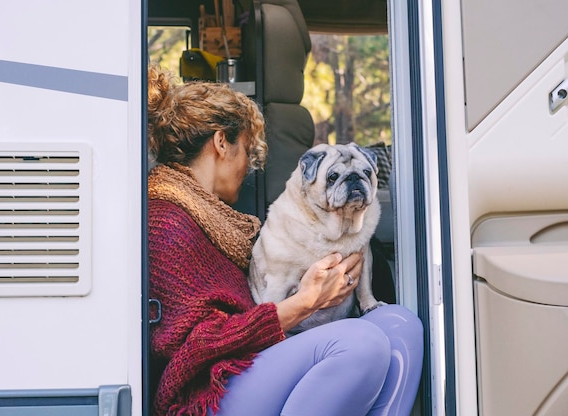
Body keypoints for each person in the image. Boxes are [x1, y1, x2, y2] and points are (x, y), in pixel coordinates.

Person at [147, 65, 423, 416]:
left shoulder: (216, 219)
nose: (248, 166)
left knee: (402, 327)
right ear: (221, 142)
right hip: (208, 388)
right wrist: (306, 302)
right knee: (362, 344)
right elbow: (195, 347)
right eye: (247, 150)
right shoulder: (168, 222)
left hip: (253, 359)